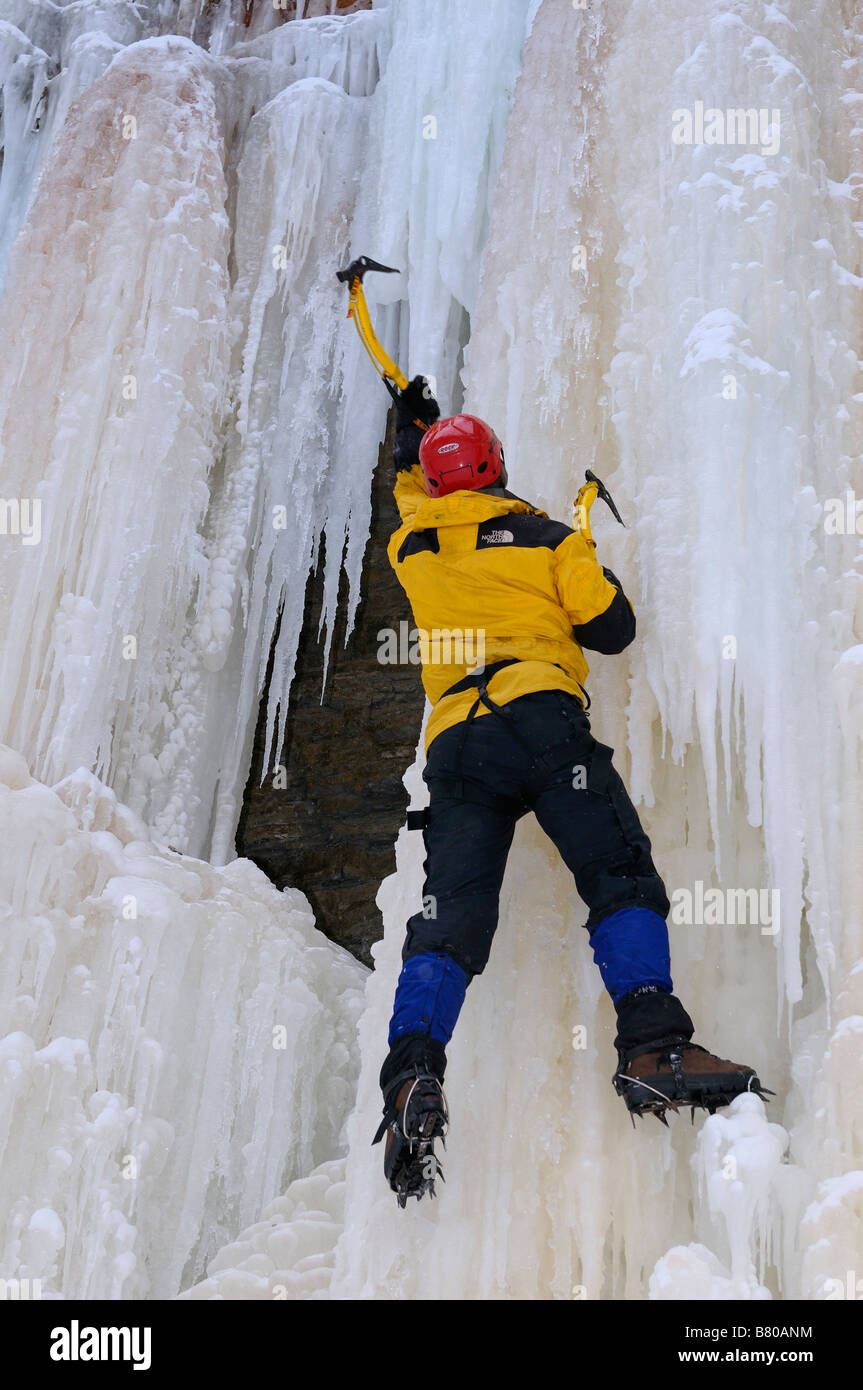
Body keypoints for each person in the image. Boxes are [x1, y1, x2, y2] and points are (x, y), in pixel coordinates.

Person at [373, 377, 767, 1206]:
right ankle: (654, 1046)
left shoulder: (411, 547)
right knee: (616, 872)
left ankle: (411, 1073)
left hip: (457, 745)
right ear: (497, 467)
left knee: (449, 918)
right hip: (542, 722)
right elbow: (611, 630)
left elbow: (418, 496)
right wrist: (583, 548)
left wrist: (411, 438)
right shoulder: (548, 536)